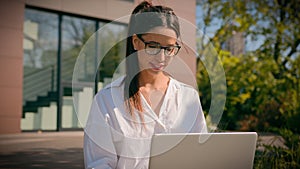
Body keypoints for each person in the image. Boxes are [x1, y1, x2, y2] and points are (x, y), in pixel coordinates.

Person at [84, 1, 207, 169]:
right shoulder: (106, 100)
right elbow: (98, 164)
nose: (161, 58)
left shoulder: (188, 97)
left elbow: (201, 155)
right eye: (153, 46)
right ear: (136, 42)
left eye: (169, 49)